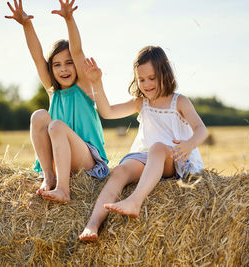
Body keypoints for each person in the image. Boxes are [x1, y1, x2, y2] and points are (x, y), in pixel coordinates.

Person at [79, 46, 208, 241]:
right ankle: (93, 224)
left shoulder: (179, 102)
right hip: (146, 158)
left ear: (165, 74)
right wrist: (97, 83)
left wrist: (189, 144)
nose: (146, 84)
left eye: (152, 78)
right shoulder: (141, 103)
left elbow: (201, 129)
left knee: (157, 147)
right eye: (141, 79)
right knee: (120, 171)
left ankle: (135, 201)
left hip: (174, 158)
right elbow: (108, 112)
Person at [5, 0, 109, 203]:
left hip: (87, 159)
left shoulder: (84, 88)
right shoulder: (53, 92)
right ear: (51, 69)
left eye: (69, 64)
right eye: (57, 65)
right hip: (60, 161)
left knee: (57, 127)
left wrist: (69, 19)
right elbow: (37, 58)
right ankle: (49, 176)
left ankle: (64, 190)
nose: (63, 69)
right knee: (39, 116)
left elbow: (77, 51)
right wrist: (27, 25)